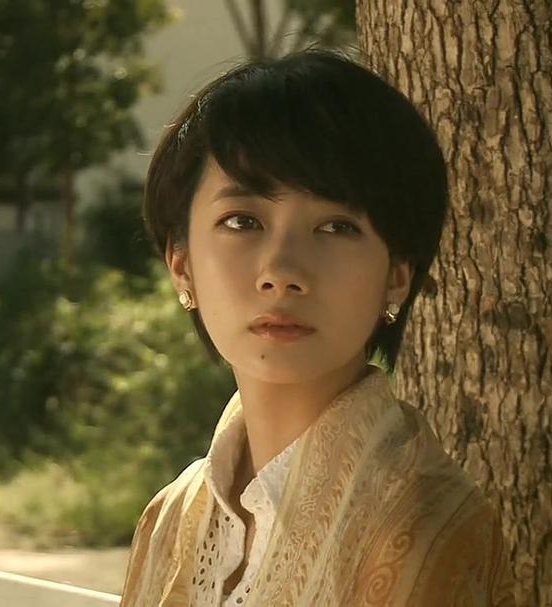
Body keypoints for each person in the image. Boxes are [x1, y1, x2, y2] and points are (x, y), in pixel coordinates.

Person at [120, 48, 517, 606]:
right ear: (181, 264)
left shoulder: (424, 530)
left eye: (336, 227)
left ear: (396, 277)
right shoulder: (170, 517)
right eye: (242, 221)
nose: (282, 271)